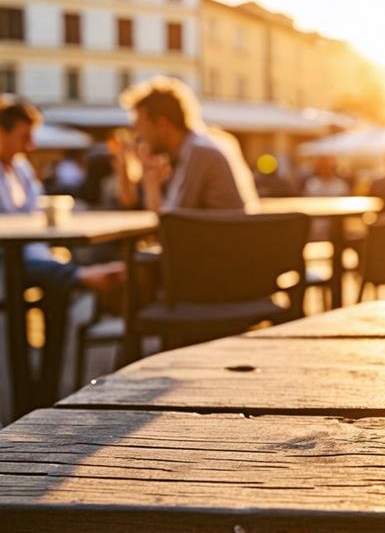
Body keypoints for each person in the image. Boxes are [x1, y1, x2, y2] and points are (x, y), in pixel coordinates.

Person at [0, 97, 124, 405]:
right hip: (7, 260)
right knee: (50, 275)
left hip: (27, 255)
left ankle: (44, 391)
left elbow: (31, 213)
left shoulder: (20, 169)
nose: (30, 146)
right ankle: (80, 276)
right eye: (24, 137)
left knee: (56, 287)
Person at [116, 77, 254, 211]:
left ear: (162, 124)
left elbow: (173, 220)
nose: (139, 136)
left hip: (220, 234)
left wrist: (151, 184)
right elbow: (131, 202)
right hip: (219, 232)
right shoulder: (197, 147)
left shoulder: (200, 153)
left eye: (141, 127)